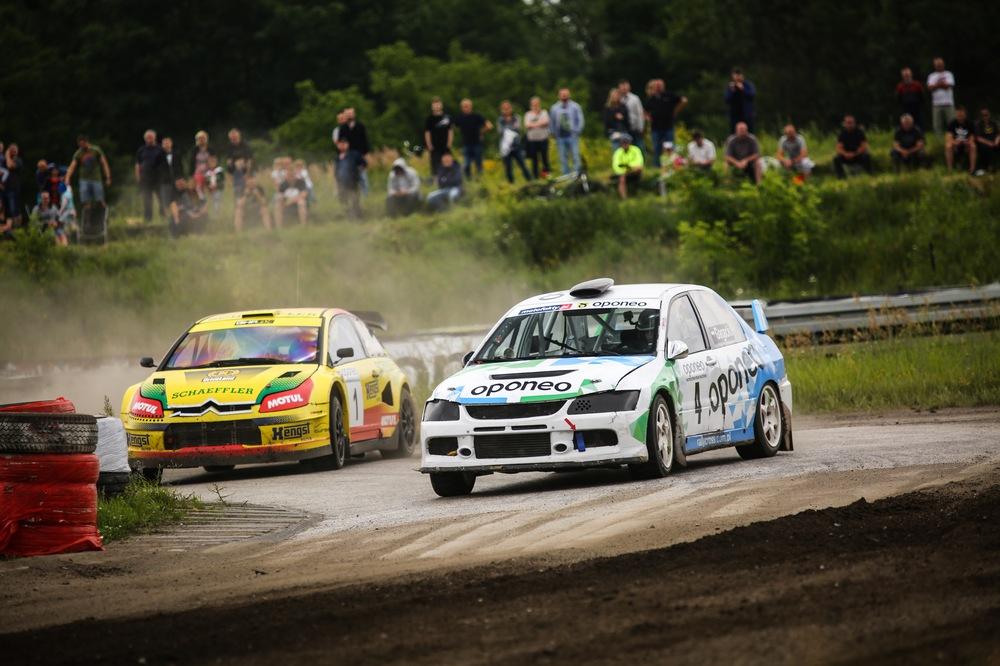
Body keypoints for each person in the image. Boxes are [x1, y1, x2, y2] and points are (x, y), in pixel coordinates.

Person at [64, 136, 111, 224]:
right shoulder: (79, 153)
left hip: (96, 178)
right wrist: (67, 177)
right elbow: (72, 166)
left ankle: (105, 219)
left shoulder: (96, 150)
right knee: (86, 202)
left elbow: (104, 163)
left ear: (86, 142)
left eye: (82, 144)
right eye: (80, 145)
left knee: (100, 200)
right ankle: (87, 223)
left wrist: (107, 177)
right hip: (84, 180)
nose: (81, 146)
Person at [646, 79, 687, 168]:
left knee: (670, 147)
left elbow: (683, 100)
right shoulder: (652, 98)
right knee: (657, 148)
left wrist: (676, 110)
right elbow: (645, 110)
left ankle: (672, 164)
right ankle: (657, 166)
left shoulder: (669, 95)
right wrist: (648, 118)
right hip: (656, 127)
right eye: (657, 86)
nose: (658, 87)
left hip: (668, 126)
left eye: (660, 85)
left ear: (663, 86)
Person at [454, 98, 491, 179]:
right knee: (466, 165)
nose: (465, 108)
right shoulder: (459, 118)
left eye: (467, 106)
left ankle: (480, 180)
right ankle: (469, 180)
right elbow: (454, 126)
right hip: (466, 144)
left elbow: (489, 125)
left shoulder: (477, 116)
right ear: (461, 107)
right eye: (464, 106)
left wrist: (481, 132)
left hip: (477, 144)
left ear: (471, 106)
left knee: (478, 164)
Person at [550, 88, 585, 175]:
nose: (564, 96)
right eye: (562, 95)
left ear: (569, 95)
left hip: (572, 135)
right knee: (563, 157)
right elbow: (552, 122)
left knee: (575, 155)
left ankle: (577, 174)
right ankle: (566, 175)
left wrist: (578, 131)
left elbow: (580, 120)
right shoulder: (554, 108)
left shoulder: (575, 106)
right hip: (560, 136)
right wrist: (553, 133)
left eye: (566, 94)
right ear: (559, 96)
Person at [336, 108, 371, 194]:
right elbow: (340, 142)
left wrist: (365, 153)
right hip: (348, 156)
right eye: (348, 114)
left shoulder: (360, 126)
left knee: (362, 175)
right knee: (347, 175)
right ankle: (348, 194)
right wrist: (341, 154)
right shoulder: (343, 128)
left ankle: (365, 193)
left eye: (351, 114)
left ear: (354, 115)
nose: (349, 116)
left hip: (359, 154)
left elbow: (365, 140)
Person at [497, 100, 531, 184]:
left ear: (511, 108)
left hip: (516, 145)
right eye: (504, 109)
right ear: (502, 110)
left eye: (508, 108)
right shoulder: (500, 119)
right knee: (508, 167)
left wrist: (507, 129)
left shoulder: (516, 117)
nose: (506, 110)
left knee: (522, 164)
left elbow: (518, 129)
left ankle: (530, 181)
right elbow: (500, 131)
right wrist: (510, 130)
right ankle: (511, 184)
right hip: (506, 148)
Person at [134, 130, 165, 222]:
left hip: (158, 178)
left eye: (151, 137)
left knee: (161, 198)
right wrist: (138, 178)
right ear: (145, 139)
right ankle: (148, 219)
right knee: (147, 200)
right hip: (145, 179)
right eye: (148, 137)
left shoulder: (160, 149)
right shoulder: (141, 150)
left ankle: (163, 217)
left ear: (154, 138)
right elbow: (137, 165)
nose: (149, 139)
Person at [333, 137, 365, 220]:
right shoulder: (337, 158)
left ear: (347, 144)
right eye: (340, 144)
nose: (342, 146)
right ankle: (348, 217)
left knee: (354, 200)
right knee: (344, 201)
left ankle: (358, 217)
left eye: (344, 144)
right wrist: (336, 186)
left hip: (353, 182)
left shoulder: (354, 154)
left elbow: (363, 164)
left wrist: (358, 173)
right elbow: (336, 173)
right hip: (341, 184)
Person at [523, 96, 551, 179]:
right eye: (533, 104)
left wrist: (533, 124)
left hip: (543, 139)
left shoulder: (544, 112)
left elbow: (546, 122)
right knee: (534, 159)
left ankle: (546, 175)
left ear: (539, 104)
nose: (535, 106)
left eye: (536, 104)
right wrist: (540, 123)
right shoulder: (528, 114)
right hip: (532, 140)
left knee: (545, 158)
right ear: (531, 105)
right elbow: (527, 125)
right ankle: (535, 176)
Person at [424, 98, 453, 176]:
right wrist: (429, 145)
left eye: (438, 104)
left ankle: (448, 178)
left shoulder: (447, 117)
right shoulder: (429, 118)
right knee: (435, 164)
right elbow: (427, 133)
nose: (436, 106)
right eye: (435, 105)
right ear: (432, 107)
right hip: (434, 146)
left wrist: (449, 144)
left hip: (445, 145)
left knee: (447, 163)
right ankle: (436, 179)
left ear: (441, 105)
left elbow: (450, 131)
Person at [927, 57, 956, 135]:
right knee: (937, 125)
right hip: (936, 104)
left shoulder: (948, 74)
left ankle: (952, 138)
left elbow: (949, 85)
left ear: (943, 64)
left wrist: (936, 85)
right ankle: (938, 140)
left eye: (940, 64)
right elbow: (930, 88)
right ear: (934, 66)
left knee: (952, 124)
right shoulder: (931, 76)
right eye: (937, 65)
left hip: (948, 103)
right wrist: (941, 84)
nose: (939, 66)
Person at [611, 133, 643, 199]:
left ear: (630, 142)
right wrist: (625, 170)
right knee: (622, 178)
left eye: (626, 142)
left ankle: (637, 192)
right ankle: (624, 198)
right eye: (623, 142)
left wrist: (628, 167)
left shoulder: (635, 150)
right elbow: (616, 166)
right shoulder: (618, 152)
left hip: (633, 171)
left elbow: (639, 162)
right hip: (623, 173)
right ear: (621, 143)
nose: (625, 144)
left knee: (639, 168)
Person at [945, 106, 976, 174]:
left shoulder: (970, 123)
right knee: (948, 146)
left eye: (962, 115)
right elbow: (948, 137)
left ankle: (972, 169)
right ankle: (950, 169)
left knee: (973, 146)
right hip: (955, 145)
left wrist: (968, 142)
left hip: (966, 144)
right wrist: (955, 142)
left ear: (965, 115)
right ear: (956, 114)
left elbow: (972, 136)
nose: (960, 117)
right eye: (958, 115)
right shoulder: (952, 123)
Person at [225, 128, 254, 202]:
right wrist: (229, 174)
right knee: (237, 192)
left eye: (235, 138)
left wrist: (247, 173)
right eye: (232, 138)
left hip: (246, 170)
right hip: (235, 173)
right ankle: (238, 205)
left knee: (248, 190)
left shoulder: (245, 145)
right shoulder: (230, 147)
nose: (234, 140)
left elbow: (249, 160)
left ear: (239, 136)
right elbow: (229, 161)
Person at [724, 68, 756, 133]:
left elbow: (752, 95)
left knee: (749, 132)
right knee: (734, 133)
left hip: (747, 115)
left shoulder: (748, 85)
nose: (737, 78)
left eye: (739, 75)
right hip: (734, 116)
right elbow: (727, 99)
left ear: (742, 76)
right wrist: (732, 91)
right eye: (735, 76)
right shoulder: (731, 86)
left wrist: (742, 88)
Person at [158, 137, 182, 220]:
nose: (166, 145)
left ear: (171, 144)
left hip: (176, 181)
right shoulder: (159, 156)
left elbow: (180, 167)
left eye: (168, 143)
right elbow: (157, 169)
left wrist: (180, 178)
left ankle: (177, 217)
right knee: (165, 200)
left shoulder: (176, 154)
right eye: (164, 143)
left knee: (176, 200)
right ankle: (166, 218)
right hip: (165, 182)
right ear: (162, 145)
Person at [618, 80, 645, 153]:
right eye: (622, 86)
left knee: (639, 146)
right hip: (624, 128)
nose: (624, 88)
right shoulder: (618, 98)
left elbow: (640, 113)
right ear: (619, 87)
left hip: (635, 127)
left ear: (629, 87)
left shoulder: (635, 98)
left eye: (625, 86)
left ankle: (641, 159)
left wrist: (641, 127)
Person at [188, 130, 214, 198]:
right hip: (198, 173)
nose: (201, 140)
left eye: (203, 138)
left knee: (212, 185)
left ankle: (213, 201)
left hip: (209, 172)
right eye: (200, 138)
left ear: (206, 139)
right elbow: (191, 164)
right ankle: (202, 200)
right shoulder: (194, 150)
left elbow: (214, 162)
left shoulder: (211, 149)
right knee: (198, 188)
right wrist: (191, 177)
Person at [973, 108, 998, 174]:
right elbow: (978, 138)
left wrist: (996, 141)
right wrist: (989, 143)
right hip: (983, 143)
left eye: (986, 115)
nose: (985, 117)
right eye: (983, 115)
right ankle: (989, 167)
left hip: (994, 142)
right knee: (986, 148)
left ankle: (993, 166)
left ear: (989, 115)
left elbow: (998, 134)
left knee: (995, 146)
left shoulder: (993, 123)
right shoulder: (978, 124)